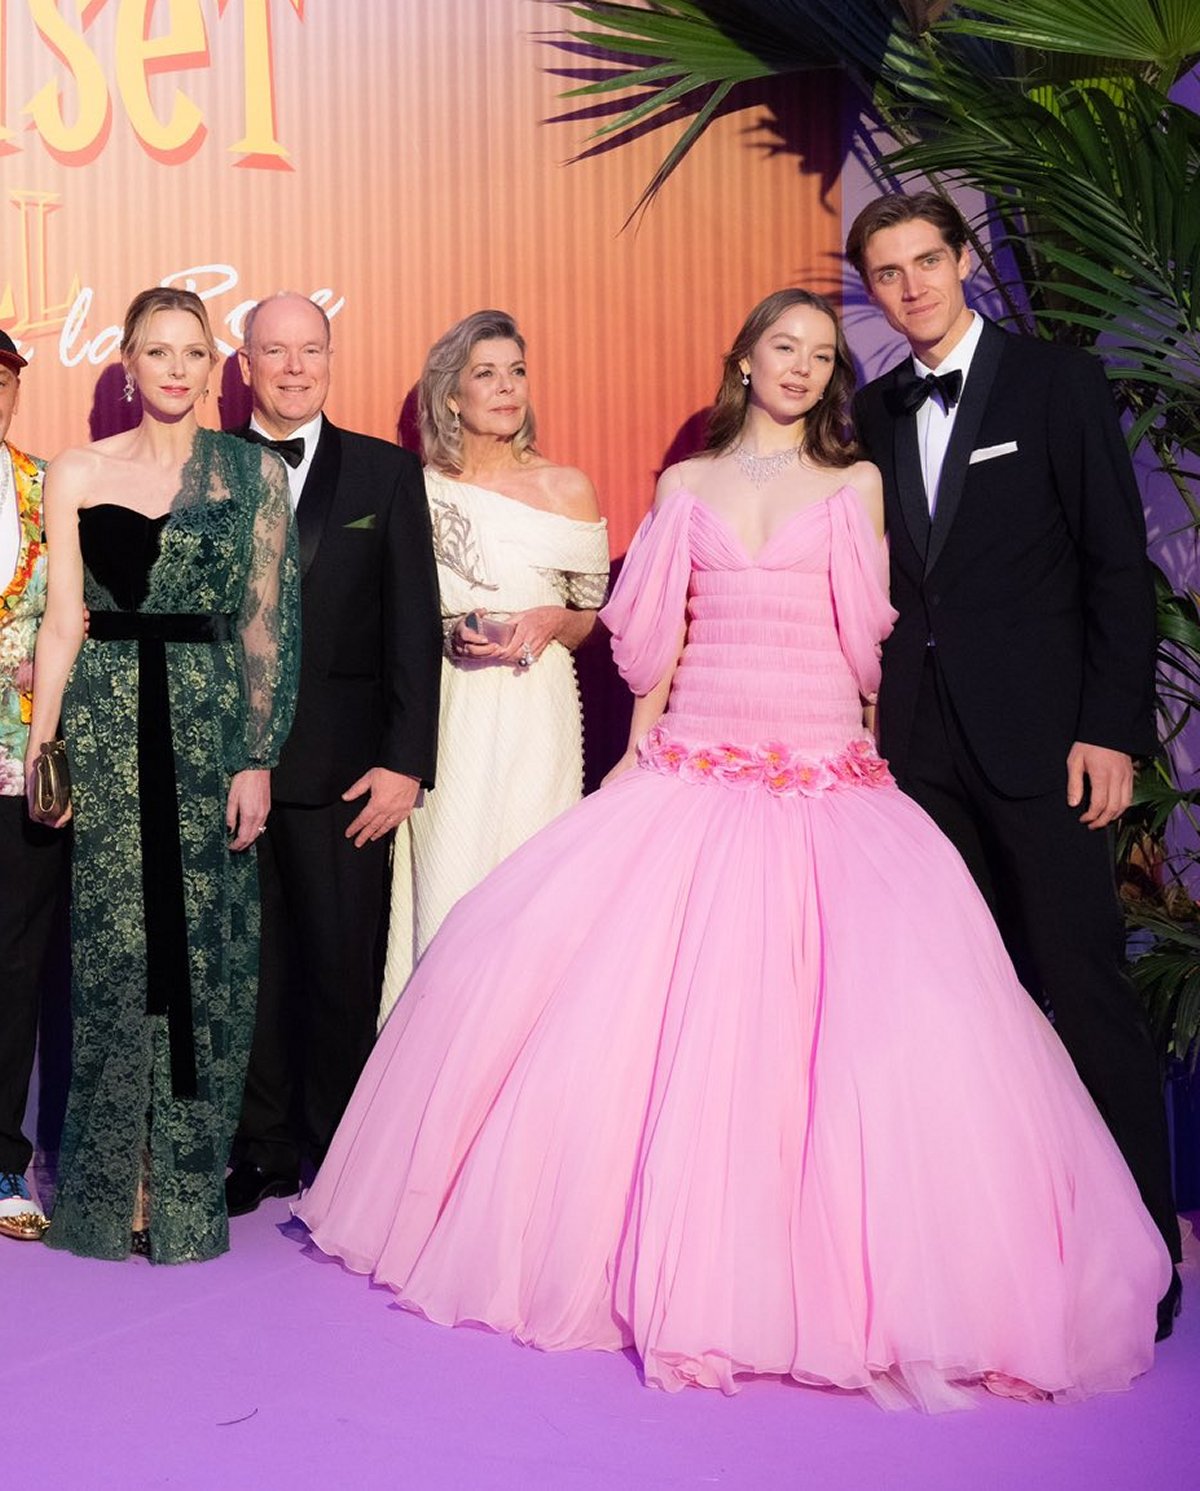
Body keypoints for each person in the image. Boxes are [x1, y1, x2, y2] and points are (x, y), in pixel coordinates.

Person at [295, 290, 1170, 1411]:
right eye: (781, 348)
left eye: (817, 354)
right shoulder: (685, 485)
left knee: (841, 1042)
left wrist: (865, 763)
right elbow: (654, 644)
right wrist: (638, 755)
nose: (800, 368)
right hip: (696, 762)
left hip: (818, 774)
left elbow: (867, 658)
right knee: (651, 1029)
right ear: (745, 361)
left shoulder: (857, 486)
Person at [845, 190, 1182, 1336]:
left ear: (964, 259)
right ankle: (979, 1263)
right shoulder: (879, 408)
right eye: (887, 274)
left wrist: (1111, 729)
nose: (912, 289)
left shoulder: (1055, 384)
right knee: (954, 1008)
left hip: (1049, 750)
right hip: (920, 758)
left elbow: (1114, 572)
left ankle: (1144, 1258)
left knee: (1083, 993)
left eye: (926, 262)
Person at [26, 287, 299, 1263]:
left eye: (193, 352)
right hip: (103, 723)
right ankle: (111, 1189)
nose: (176, 368)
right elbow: (65, 622)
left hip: (208, 723)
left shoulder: (249, 473)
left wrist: (259, 757)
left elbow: (269, 628)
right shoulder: (78, 469)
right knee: (112, 965)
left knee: (201, 964)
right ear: (128, 366)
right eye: (157, 351)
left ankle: (180, 1190)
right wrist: (44, 749)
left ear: (214, 367)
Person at [224, 294, 442, 1217]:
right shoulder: (200, 470)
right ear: (246, 364)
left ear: (331, 356)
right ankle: (261, 1147)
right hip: (230, 773)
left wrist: (407, 760)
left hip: (346, 773)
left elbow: (413, 626)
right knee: (249, 973)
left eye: (309, 350)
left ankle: (340, 1151)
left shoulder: (387, 475)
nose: (294, 367)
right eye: (274, 351)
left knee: (341, 969)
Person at [381, 310, 608, 1008]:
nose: (507, 388)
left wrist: (551, 620)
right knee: (447, 892)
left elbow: (591, 621)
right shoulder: (414, 490)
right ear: (451, 394)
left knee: (530, 895)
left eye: (516, 371)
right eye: (486, 373)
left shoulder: (566, 487)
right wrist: (448, 635)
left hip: (535, 711)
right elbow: (398, 618)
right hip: (448, 713)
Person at [0, 330, 68, 1243]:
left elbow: (80, 609)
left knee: (15, 962)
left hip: (25, 763)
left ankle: (3, 1159)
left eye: (2, 377)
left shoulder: (56, 488)